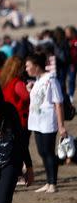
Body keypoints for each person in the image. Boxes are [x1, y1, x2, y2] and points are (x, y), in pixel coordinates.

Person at [25, 53, 67, 193]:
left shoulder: (51, 79)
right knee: (42, 152)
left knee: (49, 152)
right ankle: (48, 183)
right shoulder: (38, 80)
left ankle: (52, 183)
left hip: (48, 121)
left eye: (28, 66)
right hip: (37, 122)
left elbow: (58, 103)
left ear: (36, 66)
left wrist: (61, 126)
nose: (26, 69)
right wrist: (31, 88)